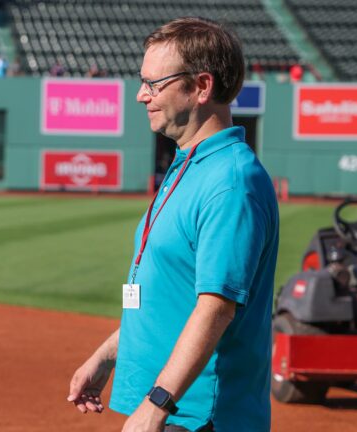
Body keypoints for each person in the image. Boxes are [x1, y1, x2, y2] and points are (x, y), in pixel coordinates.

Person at [67, 17, 279, 432]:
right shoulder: (189, 165)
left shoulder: (231, 181)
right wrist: (110, 353)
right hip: (173, 408)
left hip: (199, 416)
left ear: (202, 87)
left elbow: (216, 307)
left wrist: (158, 403)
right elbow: (170, 295)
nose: (140, 95)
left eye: (154, 83)